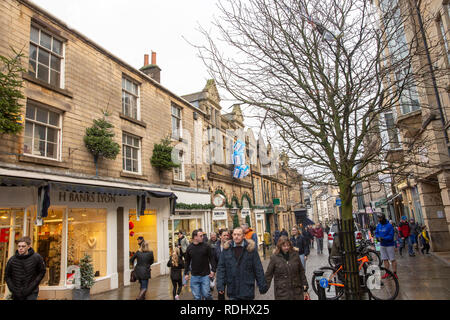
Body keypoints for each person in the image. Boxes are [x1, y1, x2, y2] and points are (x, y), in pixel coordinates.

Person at [216, 227, 268, 300]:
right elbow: (221, 269)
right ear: (232, 235)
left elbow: (258, 268)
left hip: (247, 289)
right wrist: (220, 286)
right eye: (234, 234)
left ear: (243, 236)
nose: (236, 237)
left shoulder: (251, 250)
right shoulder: (226, 250)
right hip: (232, 289)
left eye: (239, 234)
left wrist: (262, 285)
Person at [184, 229, 216, 300]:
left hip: (205, 276)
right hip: (194, 276)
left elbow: (211, 258)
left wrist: (213, 270)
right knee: (197, 297)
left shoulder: (206, 246)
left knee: (206, 294)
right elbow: (187, 261)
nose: (203, 237)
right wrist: (186, 273)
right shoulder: (189, 248)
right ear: (195, 237)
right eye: (201, 236)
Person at [374, 213, 398, 279]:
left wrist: (384, 238)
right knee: (385, 259)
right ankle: (387, 273)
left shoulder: (389, 226)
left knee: (392, 259)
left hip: (389, 245)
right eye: (378, 218)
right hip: (382, 245)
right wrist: (378, 237)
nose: (379, 220)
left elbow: (391, 235)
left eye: (380, 218)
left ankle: (394, 273)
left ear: (383, 218)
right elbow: (376, 233)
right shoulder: (379, 225)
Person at [214, 229, 230, 300]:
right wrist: (213, 271)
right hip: (221, 274)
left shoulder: (232, 246)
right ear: (220, 236)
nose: (226, 237)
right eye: (224, 235)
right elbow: (214, 261)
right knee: (220, 294)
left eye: (227, 235)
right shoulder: (216, 247)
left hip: (231, 273)